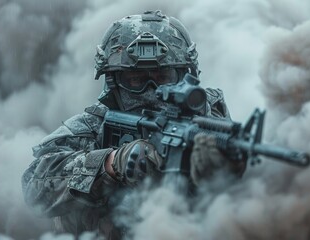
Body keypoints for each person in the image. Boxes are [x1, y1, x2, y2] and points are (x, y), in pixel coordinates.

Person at [22, 10, 246, 239]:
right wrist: (111, 163)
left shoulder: (208, 119)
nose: (151, 90)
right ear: (113, 82)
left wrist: (227, 170)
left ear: (185, 75)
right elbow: (33, 186)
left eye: (163, 78)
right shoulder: (93, 126)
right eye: (136, 80)